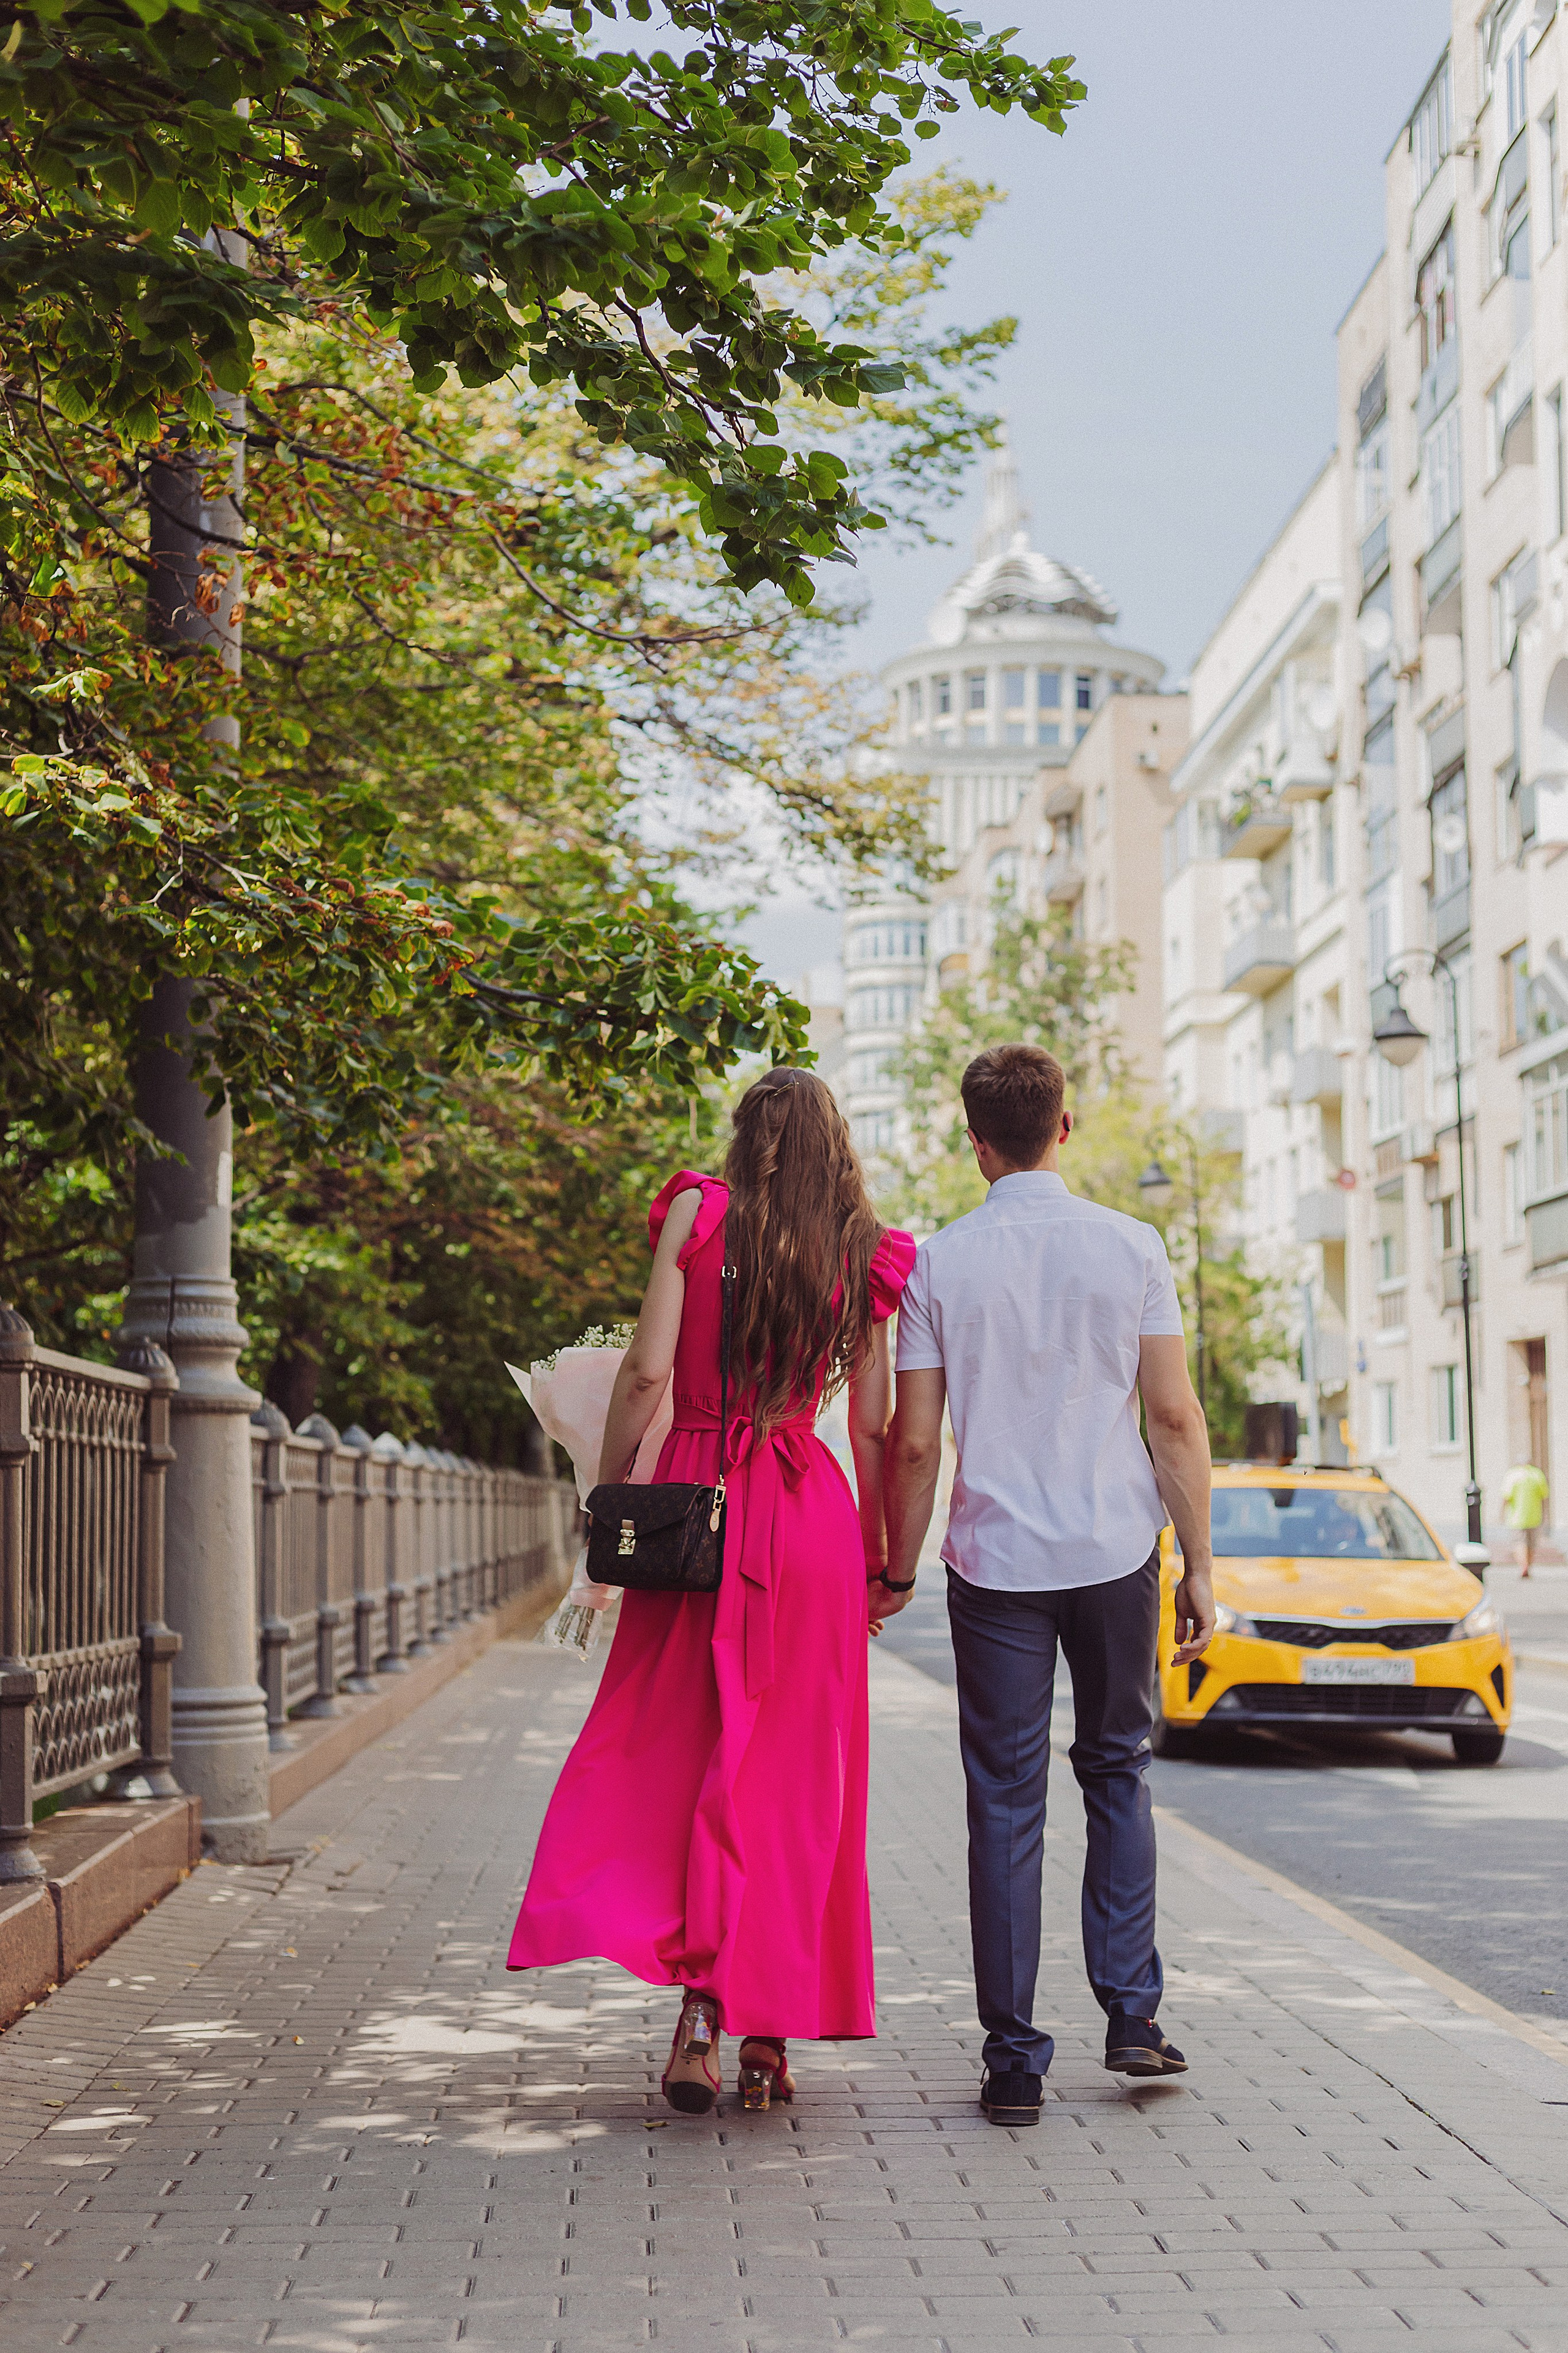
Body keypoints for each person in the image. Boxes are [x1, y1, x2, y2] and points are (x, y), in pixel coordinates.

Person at [508, 1068, 915, 2116]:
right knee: (792, 1781)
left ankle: (697, 2016)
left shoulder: (698, 1211)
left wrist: (608, 1502)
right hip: (807, 1511)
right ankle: (768, 2033)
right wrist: (880, 1555)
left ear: (746, 1137)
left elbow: (645, 1372)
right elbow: (871, 1426)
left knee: (678, 1753)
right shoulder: (866, 1248)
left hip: (696, 1512)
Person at [873, 1043, 1216, 2129]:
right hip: (1120, 1552)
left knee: (1005, 1801)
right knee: (1119, 1770)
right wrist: (1200, 1563)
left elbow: (917, 1443)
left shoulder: (939, 1263)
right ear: (1063, 1125)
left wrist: (893, 1562)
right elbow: (1171, 1416)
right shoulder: (1133, 1246)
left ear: (976, 1144)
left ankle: (1014, 2058)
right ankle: (1133, 2018)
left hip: (997, 1563)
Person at [1502, 1460, 1550, 1576]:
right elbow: (1544, 1496)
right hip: (1534, 1516)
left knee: (1519, 1542)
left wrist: (1502, 1512)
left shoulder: (1513, 1475)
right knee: (1531, 1544)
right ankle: (1528, 1565)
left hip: (1516, 1517)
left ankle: (1523, 1565)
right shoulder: (1537, 1475)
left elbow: (1506, 1496)